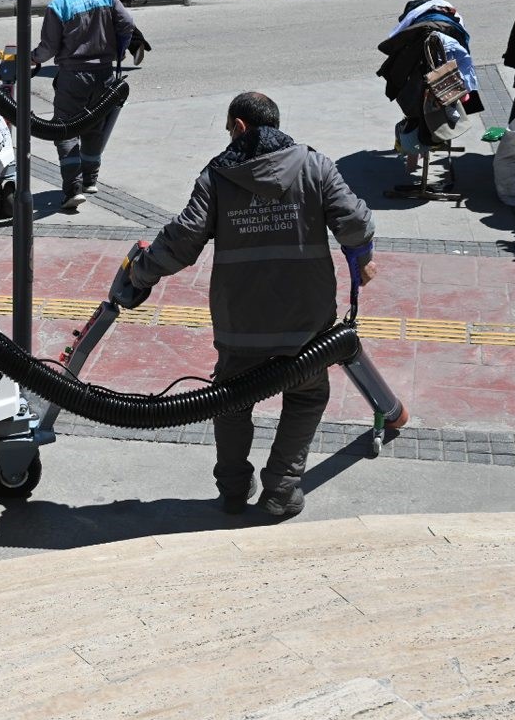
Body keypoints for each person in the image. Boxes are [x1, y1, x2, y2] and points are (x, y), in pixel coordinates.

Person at [126, 92, 376, 517]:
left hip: (240, 322)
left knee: (232, 402)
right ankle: (281, 488)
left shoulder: (218, 176)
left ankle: (233, 491)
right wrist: (362, 257)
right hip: (307, 324)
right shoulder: (315, 166)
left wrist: (140, 275)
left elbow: (183, 241)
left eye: (228, 129)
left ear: (240, 126)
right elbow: (355, 224)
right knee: (306, 396)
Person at [31, 0, 134, 211]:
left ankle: (73, 189)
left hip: (73, 76)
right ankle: (90, 180)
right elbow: (127, 23)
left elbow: (49, 47)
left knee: (65, 130)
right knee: (94, 126)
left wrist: (32, 59)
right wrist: (119, 52)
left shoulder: (59, 5)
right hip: (105, 74)